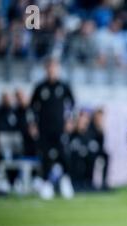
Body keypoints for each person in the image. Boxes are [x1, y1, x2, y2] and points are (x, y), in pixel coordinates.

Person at [30, 57, 75, 199]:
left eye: (54, 68)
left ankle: (65, 181)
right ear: (46, 69)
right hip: (44, 129)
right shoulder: (40, 88)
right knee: (46, 156)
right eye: (49, 68)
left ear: (58, 69)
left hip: (60, 128)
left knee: (63, 155)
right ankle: (46, 184)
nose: (52, 71)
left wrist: (69, 121)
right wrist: (33, 125)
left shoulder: (64, 86)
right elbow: (32, 108)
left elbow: (72, 105)